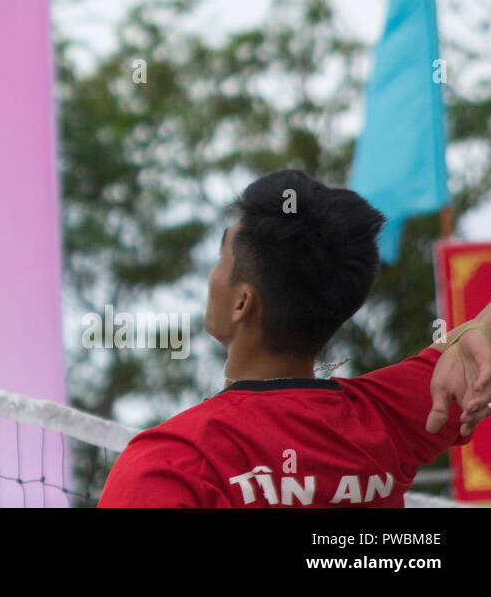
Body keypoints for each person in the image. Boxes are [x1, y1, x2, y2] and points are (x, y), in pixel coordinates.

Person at [98, 169, 491, 507]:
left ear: (242, 302)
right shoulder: (388, 415)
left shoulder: (169, 463)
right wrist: (479, 330)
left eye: (220, 258)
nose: (211, 277)